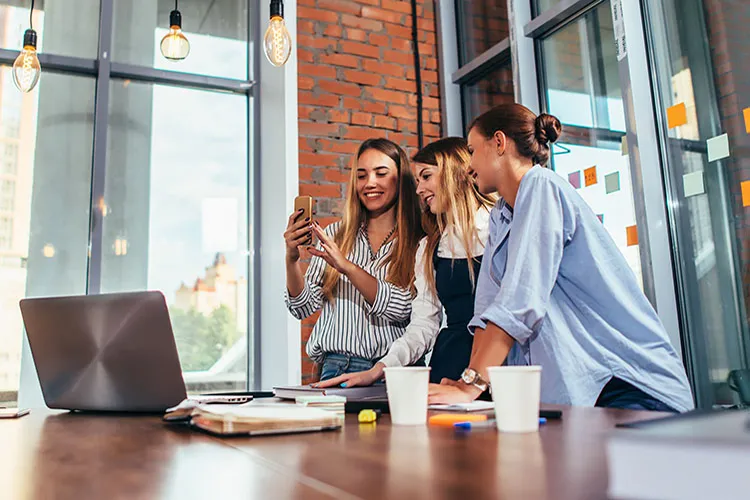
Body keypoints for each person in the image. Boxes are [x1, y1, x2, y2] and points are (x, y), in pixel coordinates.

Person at [428, 103, 694, 413]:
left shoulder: (542, 186)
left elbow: (520, 300)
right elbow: (488, 310)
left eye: (472, 150)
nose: (468, 165)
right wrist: (467, 382)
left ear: (499, 143)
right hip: (585, 391)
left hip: (625, 383)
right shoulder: (502, 216)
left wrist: (470, 386)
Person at [316, 137, 496, 389]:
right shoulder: (430, 246)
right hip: (450, 366)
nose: (419, 189)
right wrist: (379, 369)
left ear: (454, 173)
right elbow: (424, 323)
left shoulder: (501, 228)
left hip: (498, 365)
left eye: (426, 176)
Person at [284, 138, 423, 381]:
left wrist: (347, 268)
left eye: (381, 173)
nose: (370, 183)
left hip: (398, 373)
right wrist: (291, 258)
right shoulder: (337, 235)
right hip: (338, 367)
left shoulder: (419, 241)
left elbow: (406, 309)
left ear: (401, 180)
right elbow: (302, 306)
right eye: (361, 176)